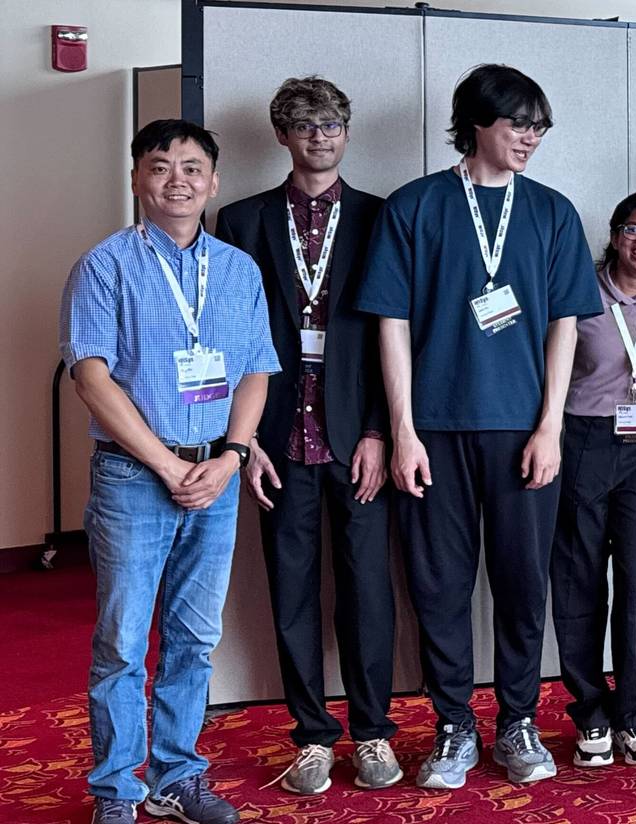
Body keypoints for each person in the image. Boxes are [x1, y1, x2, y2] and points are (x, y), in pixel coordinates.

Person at [356, 64, 601, 789]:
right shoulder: (415, 206)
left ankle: (518, 720)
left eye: (538, 126)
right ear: (476, 123)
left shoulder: (553, 212)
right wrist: (402, 430)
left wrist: (551, 424)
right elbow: (390, 326)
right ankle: (455, 724)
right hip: (434, 429)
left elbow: (565, 327)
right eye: (517, 123)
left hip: (524, 431)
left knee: (524, 584)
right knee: (439, 587)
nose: (530, 137)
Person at [65, 118, 278, 824]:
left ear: (213, 182)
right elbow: (91, 376)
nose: (176, 179)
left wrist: (233, 456)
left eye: (192, 167)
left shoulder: (238, 270)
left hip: (215, 480)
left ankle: (176, 778)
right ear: (136, 178)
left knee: (195, 637)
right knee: (123, 641)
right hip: (133, 478)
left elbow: (255, 371)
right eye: (160, 166)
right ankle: (117, 793)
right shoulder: (105, 266)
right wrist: (163, 463)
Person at [212, 76, 400, 796]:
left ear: (346, 133)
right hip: (278, 440)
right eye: (304, 125)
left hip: (359, 440)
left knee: (368, 593)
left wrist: (383, 431)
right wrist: (244, 438)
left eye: (330, 125)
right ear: (281, 135)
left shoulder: (384, 218)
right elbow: (228, 340)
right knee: (291, 592)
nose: (319, 136)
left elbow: (395, 338)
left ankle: (375, 732)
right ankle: (314, 736)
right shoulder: (243, 220)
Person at [549, 191, 636, 769]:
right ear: (612, 235)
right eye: (633, 230)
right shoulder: (581, 287)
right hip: (584, 436)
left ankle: (634, 709)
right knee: (580, 574)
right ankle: (590, 710)